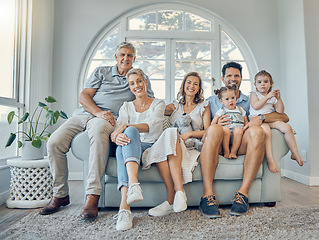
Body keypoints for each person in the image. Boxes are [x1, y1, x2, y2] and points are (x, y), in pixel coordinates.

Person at [39, 42, 154, 220]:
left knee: (100, 133)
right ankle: (60, 194)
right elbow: (84, 96)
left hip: (109, 120)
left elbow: (148, 100)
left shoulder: (138, 77)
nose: (126, 58)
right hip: (86, 114)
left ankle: (92, 195)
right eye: (122, 54)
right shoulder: (102, 71)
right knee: (54, 142)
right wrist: (98, 112)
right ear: (116, 57)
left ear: (134, 58)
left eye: (129, 55)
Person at [201, 62, 289, 218]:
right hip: (218, 143)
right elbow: (205, 129)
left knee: (256, 131)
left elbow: (283, 117)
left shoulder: (251, 100)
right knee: (214, 129)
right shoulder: (211, 100)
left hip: (240, 142)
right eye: (229, 75)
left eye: (236, 75)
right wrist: (216, 124)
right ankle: (207, 196)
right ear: (223, 78)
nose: (233, 79)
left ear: (241, 78)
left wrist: (260, 118)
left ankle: (242, 194)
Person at [145, 72, 211, 217]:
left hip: (189, 146)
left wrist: (190, 134)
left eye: (195, 83)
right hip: (171, 145)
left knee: (171, 133)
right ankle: (179, 193)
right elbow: (155, 110)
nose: (191, 86)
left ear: (199, 88)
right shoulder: (174, 106)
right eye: (189, 82)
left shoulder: (203, 107)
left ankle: (171, 200)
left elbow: (208, 131)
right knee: (170, 134)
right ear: (183, 85)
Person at [111, 69, 165, 231]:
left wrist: (126, 128)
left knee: (130, 132)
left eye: (139, 81)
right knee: (123, 144)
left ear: (146, 82)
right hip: (130, 147)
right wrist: (115, 137)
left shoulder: (158, 103)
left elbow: (152, 127)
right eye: (132, 83)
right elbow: (118, 129)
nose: (136, 86)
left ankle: (125, 207)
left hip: (151, 146)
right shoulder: (126, 106)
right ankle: (131, 192)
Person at [250, 70, 303, 172]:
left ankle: (294, 152)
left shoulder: (273, 97)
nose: (263, 84)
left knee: (287, 127)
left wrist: (278, 99)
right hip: (258, 120)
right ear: (255, 85)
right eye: (259, 82)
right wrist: (267, 97)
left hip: (270, 119)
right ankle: (270, 160)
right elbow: (256, 106)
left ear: (271, 84)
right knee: (266, 132)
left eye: (266, 82)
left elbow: (280, 111)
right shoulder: (254, 94)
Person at [211, 85, 248, 159]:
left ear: (236, 98)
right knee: (225, 129)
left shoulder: (240, 110)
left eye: (232, 98)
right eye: (227, 99)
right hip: (225, 135)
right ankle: (226, 151)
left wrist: (245, 131)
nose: (230, 100)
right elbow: (212, 123)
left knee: (238, 130)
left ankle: (233, 152)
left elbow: (246, 122)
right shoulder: (222, 110)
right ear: (221, 101)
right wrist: (218, 124)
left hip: (238, 135)